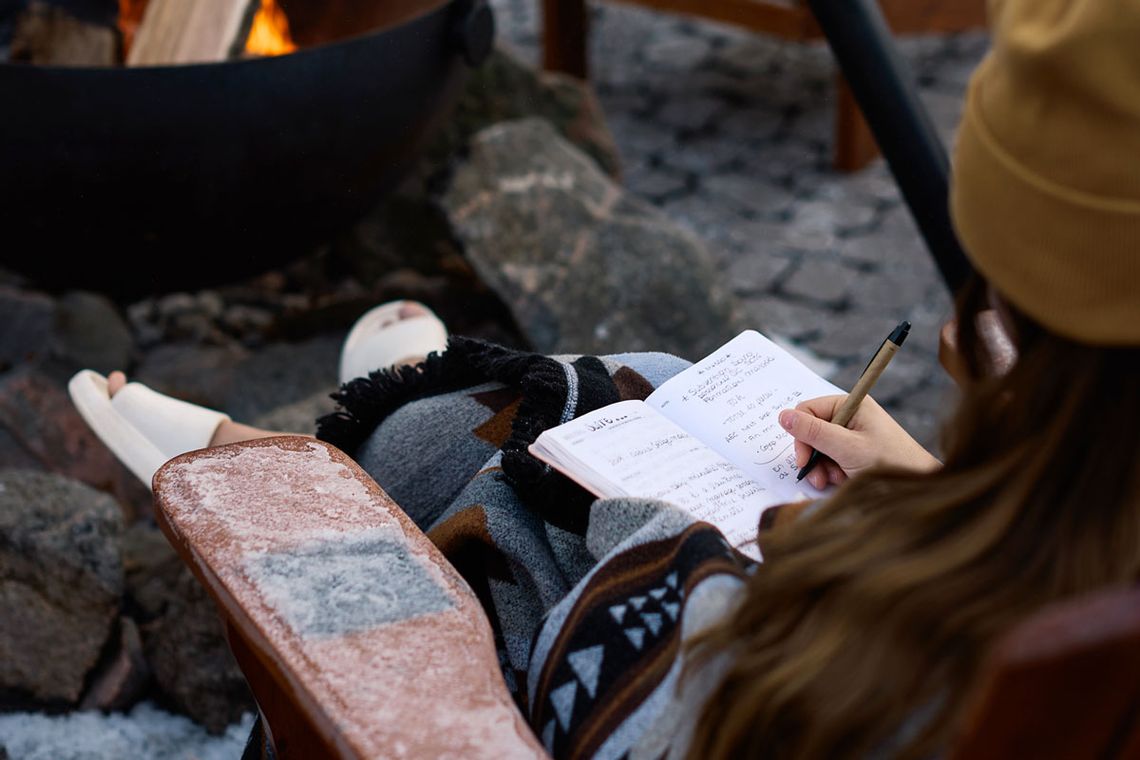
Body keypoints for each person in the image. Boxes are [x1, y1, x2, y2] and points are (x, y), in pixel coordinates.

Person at [70, 0, 1140, 756]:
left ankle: (304, 473)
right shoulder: (1082, 590)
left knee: (542, 493)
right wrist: (923, 486)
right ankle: (386, 419)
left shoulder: (850, 665)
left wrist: (669, 531)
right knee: (661, 381)